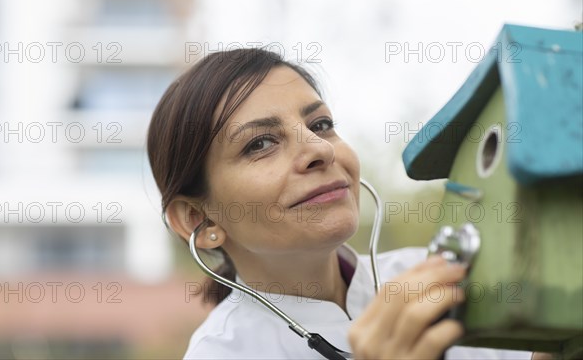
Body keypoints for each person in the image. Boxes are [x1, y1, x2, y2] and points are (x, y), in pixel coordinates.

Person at [146, 48, 535, 359]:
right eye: (260, 143)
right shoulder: (221, 353)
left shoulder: (439, 275)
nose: (319, 150)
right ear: (197, 218)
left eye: (320, 125)